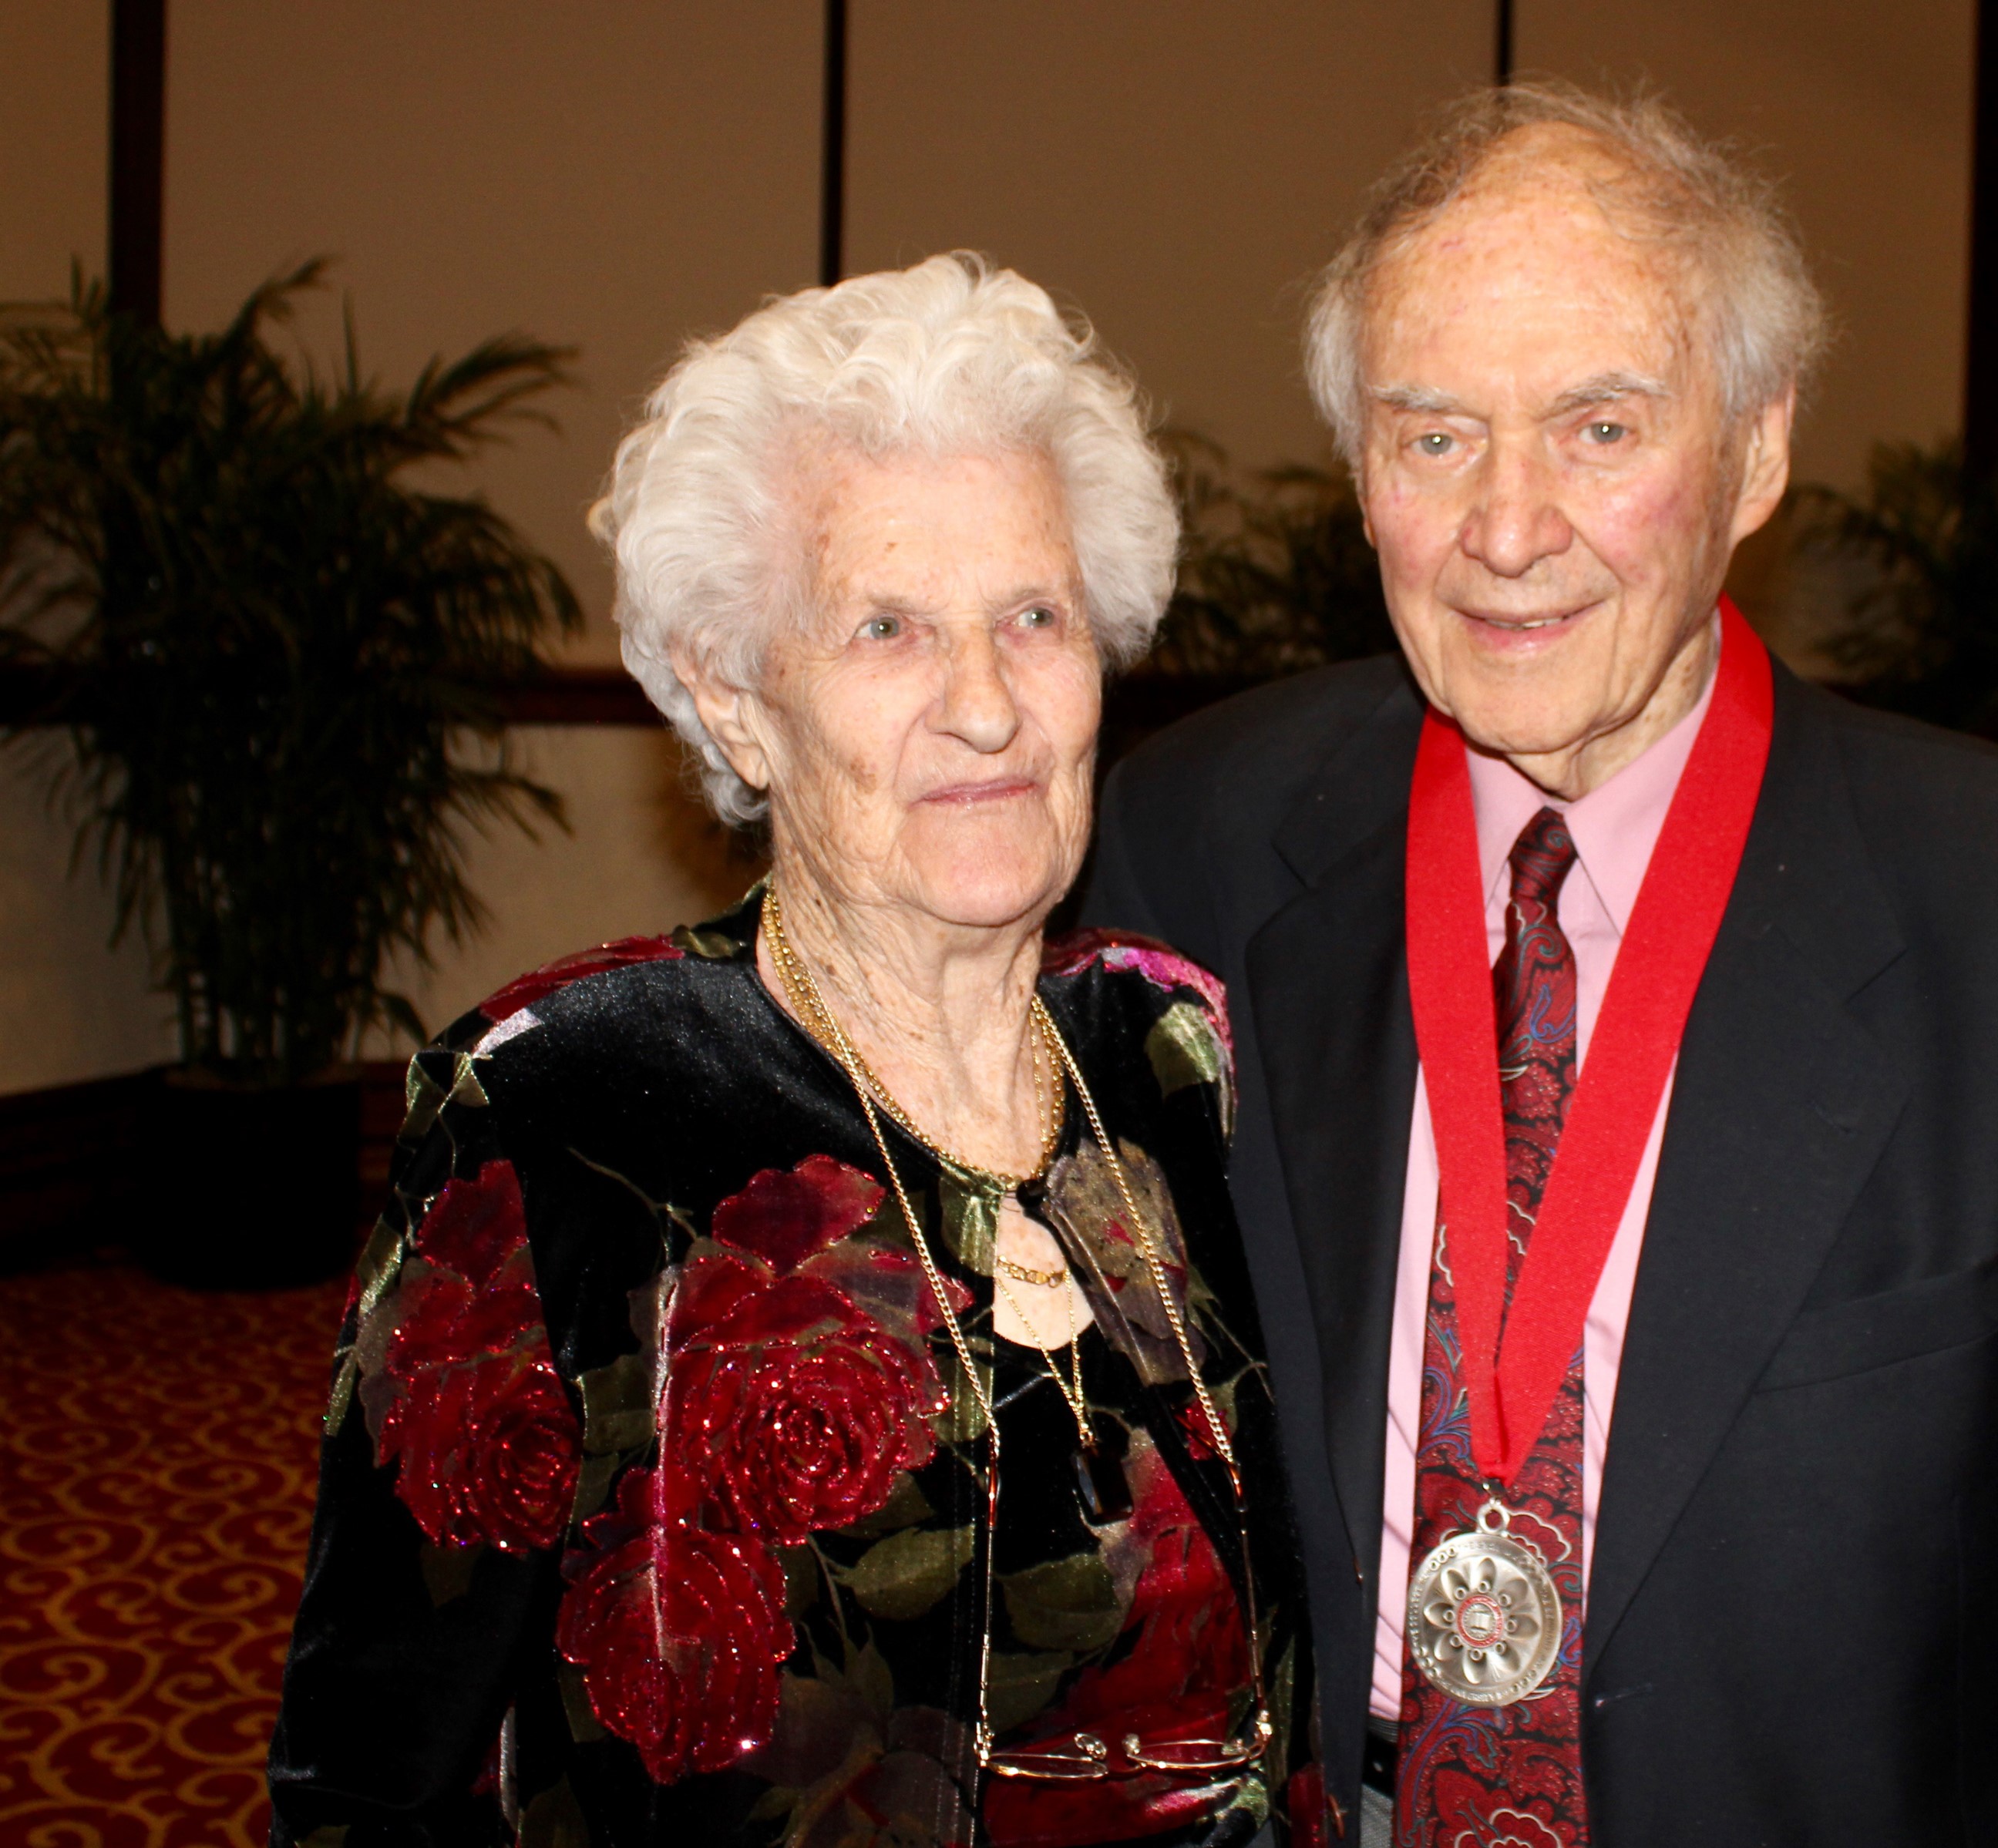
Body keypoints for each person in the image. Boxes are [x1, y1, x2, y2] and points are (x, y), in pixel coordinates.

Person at [1083, 84, 1998, 1846]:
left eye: (1598, 428)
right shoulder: (1188, 844)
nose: (1505, 528)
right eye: (1432, 438)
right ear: (1358, 470)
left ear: (1758, 449)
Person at [268, 256, 1320, 1846]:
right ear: (734, 698)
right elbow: (371, 1773)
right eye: (886, 627)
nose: (985, 705)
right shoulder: (560, 1107)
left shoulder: (1187, 1056)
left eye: (1033, 615)